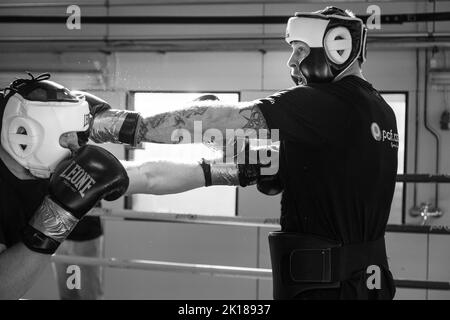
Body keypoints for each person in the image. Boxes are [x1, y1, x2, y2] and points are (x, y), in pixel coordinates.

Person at [91, 6, 398, 300]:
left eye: (300, 50)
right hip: (365, 284)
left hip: (329, 289)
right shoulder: (379, 111)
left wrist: (113, 124)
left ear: (337, 48)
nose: (292, 62)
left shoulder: (325, 103)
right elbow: (253, 169)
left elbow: (224, 118)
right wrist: (122, 176)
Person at [0, 73, 129, 299]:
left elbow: (150, 174)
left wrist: (209, 170)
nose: (74, 145)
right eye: (64, 135)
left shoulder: (51, 168)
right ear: (25, 133)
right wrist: (60, 214)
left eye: (76, 134)